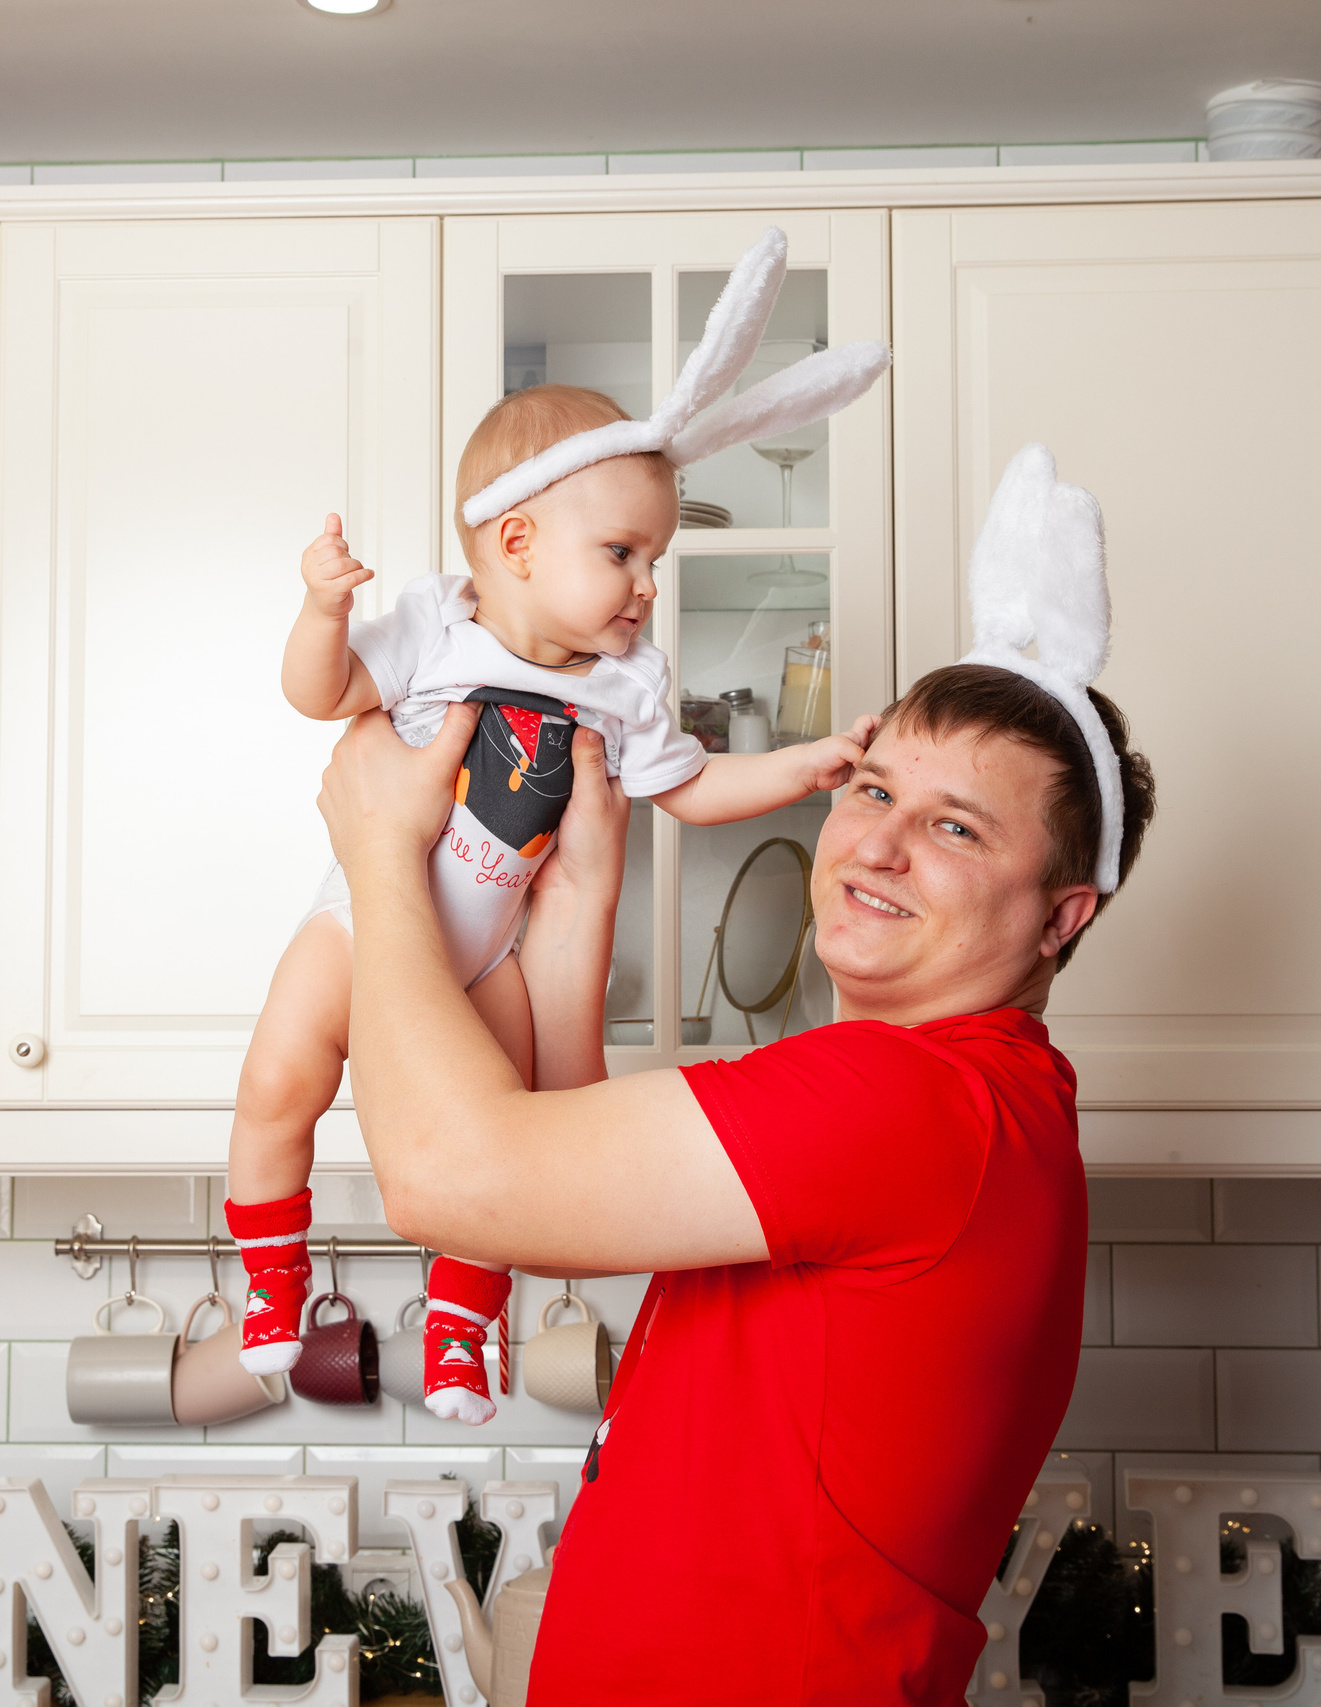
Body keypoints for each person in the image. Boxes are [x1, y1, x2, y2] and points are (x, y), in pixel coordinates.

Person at [315, 444, 1156, 1702]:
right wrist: (588, 887)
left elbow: (452, 1177)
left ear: (1060, 917)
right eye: (872, 788)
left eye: (955, 826)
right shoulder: (940, 1089)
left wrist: (380, 851)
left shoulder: (917, 1102)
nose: (873, 842)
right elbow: (552, 1181)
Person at [224, 229, 891, 1424]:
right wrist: (324, 607)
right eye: (623, 553)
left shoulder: (627, 684)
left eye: (656, 559)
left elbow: (687, 790)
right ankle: (271, 1284)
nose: (647, 584)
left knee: (503, 1146)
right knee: (277, 1080)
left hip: (491, 950)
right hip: (358, 921)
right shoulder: (434, 627)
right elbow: (318, 696)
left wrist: (808, 766)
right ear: (516, 543)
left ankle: (461, 1333)